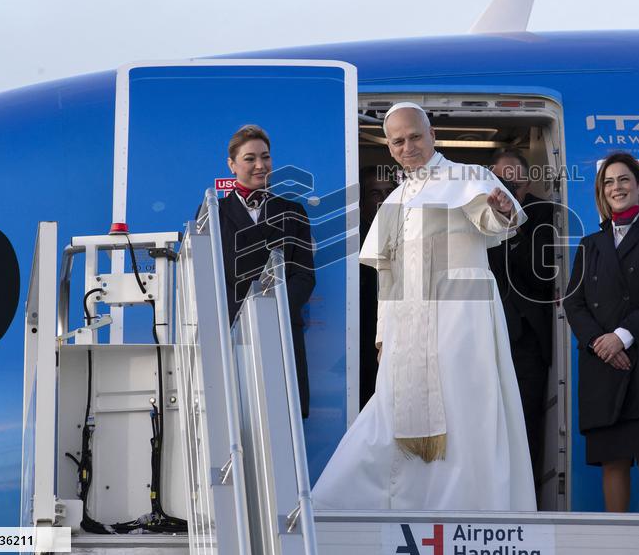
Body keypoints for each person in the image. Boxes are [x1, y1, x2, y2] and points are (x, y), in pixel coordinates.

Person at [312, 102, 536, 511]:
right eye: (398, 141)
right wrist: (382, 336)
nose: (408, 147)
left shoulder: (467, 176)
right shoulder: (394, 199)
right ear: (389, 147)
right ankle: (343, 507)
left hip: (461, 318)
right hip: (407, 328)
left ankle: (464, 510)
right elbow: (387, 278)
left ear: (432, 134)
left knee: (464, 412)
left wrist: (501, 211)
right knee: (389, 416)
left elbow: (494, 220)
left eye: (415, 136)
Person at [562, 152, 639, 513]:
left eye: (623, 180)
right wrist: (599, 343)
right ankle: (615, 541)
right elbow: (574, 303)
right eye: (608, 182)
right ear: (602, 192)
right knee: (612, 460)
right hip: (602, 364)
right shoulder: (590, 245)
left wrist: (622, 337)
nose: (616, 187)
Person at [214, 124, 316, 418]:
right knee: (235, 417)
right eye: (250, 158)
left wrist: (272, 310)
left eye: (266, 157)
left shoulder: (293, 211)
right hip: (233, 332)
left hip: (281, 329)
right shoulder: (213, 212)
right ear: (232, 165)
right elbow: (210, 276)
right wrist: (245, 314)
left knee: (283, 417)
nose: (260, 165)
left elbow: (304, 276)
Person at [486, 149, 555, 489]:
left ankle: (525, 497)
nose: (508, 188)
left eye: (515, 182)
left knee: (525, 421)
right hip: (484, 335)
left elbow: (541, 276)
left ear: (527, 184)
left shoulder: (544, 214)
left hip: (526, 337)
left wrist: (514, 223)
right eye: (501, 180)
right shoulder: (477, 214)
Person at [358, 165, 396, 408]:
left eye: (389, 193)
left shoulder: (407, 234)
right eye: (375, 193)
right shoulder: (355, 239)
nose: (384, 200)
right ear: (361, 201)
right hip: (363, 343)